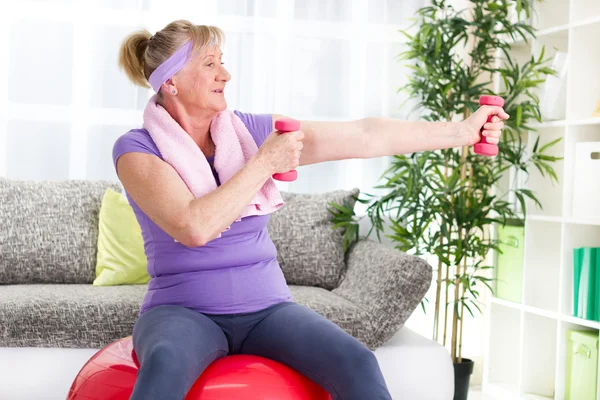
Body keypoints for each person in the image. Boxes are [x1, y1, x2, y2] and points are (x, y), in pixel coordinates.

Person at [115, 20, 509, 400]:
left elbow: (364, 135)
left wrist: (461, 132)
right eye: (210, 64)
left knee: (357, 361)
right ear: (170, 82)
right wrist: (265, 163)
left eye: (222, 61)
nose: (225, 75)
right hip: (182, 311)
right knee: (165, 362)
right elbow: (194, 226)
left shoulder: (248, 132)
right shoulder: (137, 150)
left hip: (267, 309)